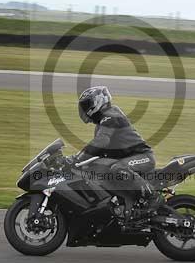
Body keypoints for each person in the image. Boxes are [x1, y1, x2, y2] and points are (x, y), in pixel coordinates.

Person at [66, 86, 160, 216]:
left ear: (98, 101)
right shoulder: (102, 123)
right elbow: (98, 151)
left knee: (118, 169)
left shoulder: (111, 115)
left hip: (142, 156)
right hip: (128, 158)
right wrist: (79, 162)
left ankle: (152, 196)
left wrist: (77, 158)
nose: (85, 109)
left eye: (87, 104)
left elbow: (100, 142)